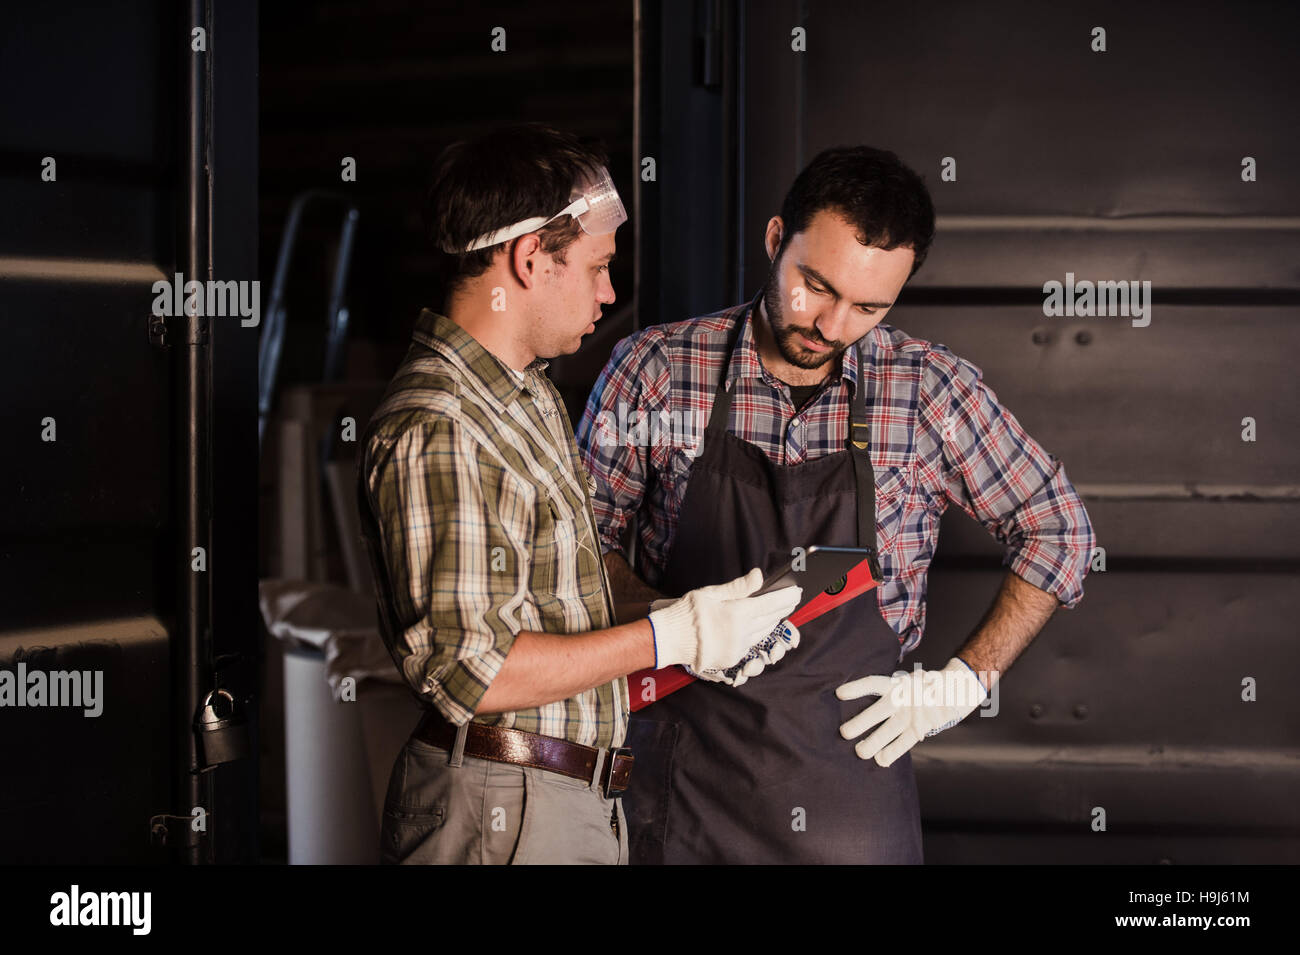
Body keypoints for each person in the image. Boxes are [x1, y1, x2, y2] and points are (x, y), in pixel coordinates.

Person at [576, 145, 1097, 864]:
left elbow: (1060, 530)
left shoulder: (928, 392)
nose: (831, 324)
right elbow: (574, 553)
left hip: (848, 797)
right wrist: (679, 625)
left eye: (869, 307)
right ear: (773, 241)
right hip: (683, 787)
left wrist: (964, 681)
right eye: (815, 286)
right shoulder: (658, 370)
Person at [355, 124, 801, 865]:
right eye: (597, 266)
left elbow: (562, 594)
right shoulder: (444, 424)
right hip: (504, 810)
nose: (610, 291)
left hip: (565, 800)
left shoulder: (526, 396)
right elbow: (479, 668)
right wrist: (674, 637)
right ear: (531, 260)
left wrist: (700, 622)